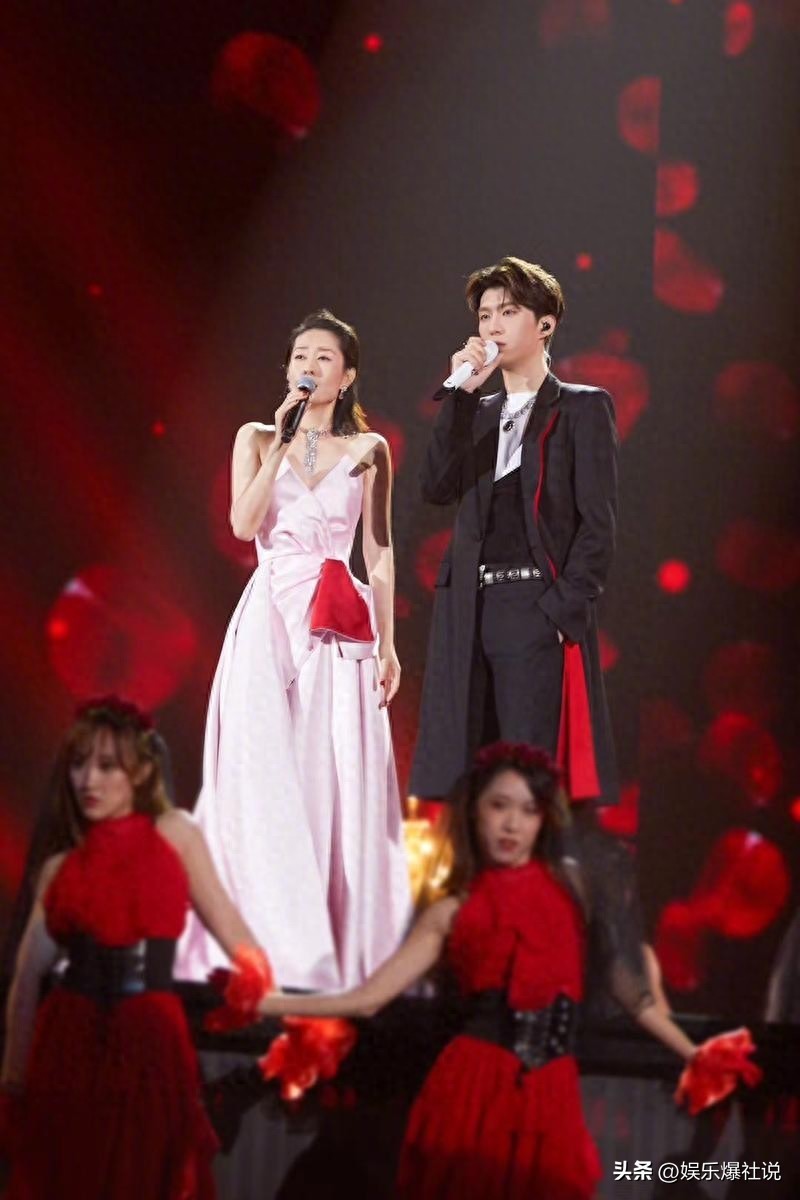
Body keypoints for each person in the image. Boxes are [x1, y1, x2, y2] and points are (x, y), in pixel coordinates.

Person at [256, 743, 707, 1200]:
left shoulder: (573, 892)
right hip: (470, 1091)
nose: (512, 824)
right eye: (499, 806)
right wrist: (267, 1001)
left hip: (551, 1094)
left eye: (529, 811)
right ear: (475, 812)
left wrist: (695, 1054)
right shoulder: (453, 911)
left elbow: (631, 993)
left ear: (543, 821)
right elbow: (367, 1000)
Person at [177, 309, 411, 991]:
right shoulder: (255, 437)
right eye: (300, 355)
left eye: (324, 357)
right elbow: (242, 523)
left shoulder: (369, 450)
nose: (309, 366)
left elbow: (379, 549)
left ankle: (322, 947)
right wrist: (280, 445)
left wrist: (389, 644)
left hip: (337, 622)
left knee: (326, 765)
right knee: (260, 765)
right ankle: (253, 941)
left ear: (347, 374)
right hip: (270, 614)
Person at [0, 696, 270, 1200]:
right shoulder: (60, 867)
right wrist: (13, 1085)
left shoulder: (175, 835)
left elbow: (238, 938)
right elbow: (26, 980)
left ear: (142, 772)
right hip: (69, 1044)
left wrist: (283, 1008)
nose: (88, 780)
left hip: (150, 1043)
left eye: (107, 766)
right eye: (79, 764)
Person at [410, 257, 618, 807]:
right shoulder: (475, 412)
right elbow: (436, 487)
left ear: (545, 325)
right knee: (469, 777)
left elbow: (597, 527)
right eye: (484, 315)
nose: (492, 326)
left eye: (507, 312)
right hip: (468, 609)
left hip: (534, 607)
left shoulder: (582, 408)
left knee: (528, 775)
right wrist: (460, 397)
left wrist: (559, 612)